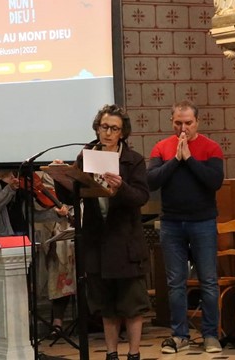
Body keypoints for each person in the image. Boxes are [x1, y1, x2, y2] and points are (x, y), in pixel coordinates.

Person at [70, 104, 150, 360]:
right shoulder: (85, 157)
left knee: (132, 306)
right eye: (104, 127)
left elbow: (141, 197)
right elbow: (72, 195)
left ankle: (134, 354)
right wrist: (63, 175)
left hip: (125, 243)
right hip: (98, 243)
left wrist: (122, 187)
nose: (108, 133)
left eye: (114, 128)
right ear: (97, 127)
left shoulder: (133, 160)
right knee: (107, 308)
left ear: (122, 133)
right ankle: (112, 354)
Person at [147, 100, 226, 354]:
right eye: (178, 123)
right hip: (171, 223)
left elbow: (214, 181)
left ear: (197, 123)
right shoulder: (161, 148)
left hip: (202, 221)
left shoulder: (211, 147)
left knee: (209, 281)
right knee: (175, 283)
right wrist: (175, 160)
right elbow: (151, 181)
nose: (183, 128)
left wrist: (189, 159)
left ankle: (211, 335)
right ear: (172, 122)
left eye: (188, 123)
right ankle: (179, 335)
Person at [0, 170, 73, 337]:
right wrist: (9, 189)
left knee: (27, 287)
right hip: (3, 239)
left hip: (25, 238)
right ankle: (5, 332)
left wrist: (55, 213)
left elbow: (33, 215)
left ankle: (23, 332)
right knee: (5, 288)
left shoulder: (25, 181)